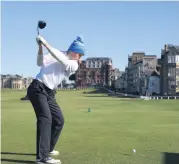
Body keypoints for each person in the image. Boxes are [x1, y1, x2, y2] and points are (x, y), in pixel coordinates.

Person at [27, 35, 85, 164]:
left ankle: (48, 148)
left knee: (59, 120)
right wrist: (41, 48)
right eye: (80, 55)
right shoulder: (57, 52)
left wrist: (46, 44)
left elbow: (62, 60)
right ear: (74, 51)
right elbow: (39, 63)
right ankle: (42, 158)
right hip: (38, 88)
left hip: (49, 92)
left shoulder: (73, 65)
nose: (80, 58)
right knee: (45, 119)